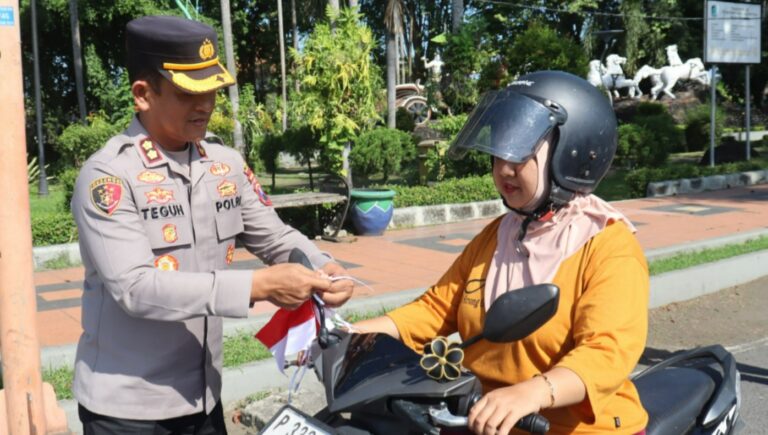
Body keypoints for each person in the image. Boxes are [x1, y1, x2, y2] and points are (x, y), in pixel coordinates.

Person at [70, 15, 353, 434]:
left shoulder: (224, 164)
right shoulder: (109, 177)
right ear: (143, 94)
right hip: (128, 409)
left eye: (213, 92)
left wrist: (321, 264)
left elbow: (273, 235)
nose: (205, 106)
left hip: (203, 398)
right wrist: (258, 287)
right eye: (189, 94)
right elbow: (135, 288)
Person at [355, 71, 649, 434]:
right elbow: (435, 309)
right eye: (499, 155)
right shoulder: (498, 236)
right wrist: (354, 335)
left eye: (521, 154)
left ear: (571, 156)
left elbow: (607, 352)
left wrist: (533, 392)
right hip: (487, 420)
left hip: (581, 427)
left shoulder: (607, 246)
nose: (503, 169)